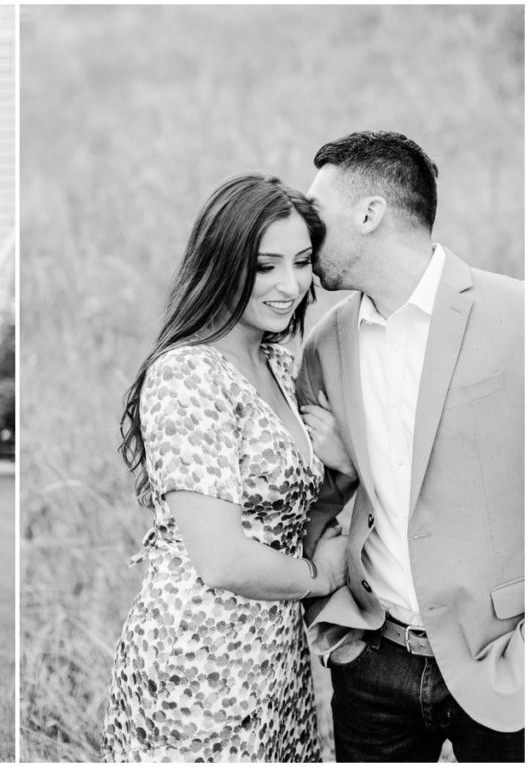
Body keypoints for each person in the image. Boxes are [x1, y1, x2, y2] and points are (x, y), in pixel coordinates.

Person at [103, 173, 352, 762]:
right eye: (265, 266)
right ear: (222, 262)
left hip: (272, 650)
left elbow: (301, 499)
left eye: (300, 262)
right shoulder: (188, 375)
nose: (288, 285)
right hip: (201, 656)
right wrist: (321, 576)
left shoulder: (280, 363)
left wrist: (343, 467)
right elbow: (221, 558)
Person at [298, 130, 524, 762]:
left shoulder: (517, 316)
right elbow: (314, 502)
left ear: (370, 214)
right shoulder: (325, 344)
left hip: (506, 662)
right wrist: (334, 611)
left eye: (317, 215)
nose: (302, 233)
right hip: (373, 665)